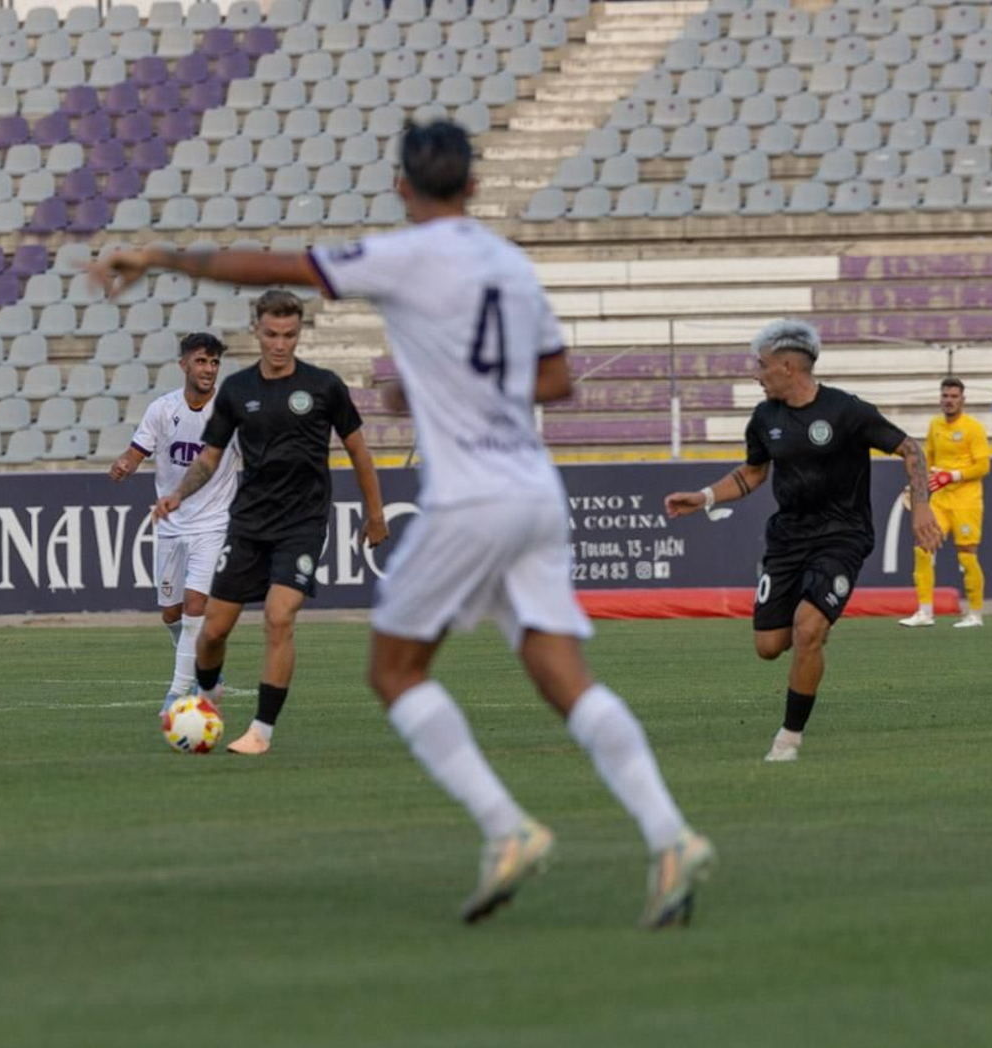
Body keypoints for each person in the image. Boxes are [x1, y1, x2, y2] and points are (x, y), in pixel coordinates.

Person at [93, 121, 713, 930]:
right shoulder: (509, 265)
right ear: (475, 185)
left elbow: (277, 266)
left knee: (394, 669)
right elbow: (557, 380)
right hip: (534, 490)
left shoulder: (407, 254)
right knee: (560, 670)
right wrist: (452, 385)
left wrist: (162, 256)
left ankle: (508, 826)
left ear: (401, 187)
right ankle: (669, 835)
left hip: (473, 498)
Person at [90, 278, 389, 754]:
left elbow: (358, 451)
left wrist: (375, 515)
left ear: (299, 335)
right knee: (210, 630)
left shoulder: (323, 386)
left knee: (276, 615)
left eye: (289, 335)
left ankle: (253, 729)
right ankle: (207, 693)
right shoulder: (237, 391)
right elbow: (207, 458)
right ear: (258, 331)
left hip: (295, 523)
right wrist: (175, 496)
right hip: (246, 524)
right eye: (271, 334)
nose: (279, 344)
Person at [664, 319, 942, 763]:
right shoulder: (764, 417)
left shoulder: (847, 411)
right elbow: (753, 473)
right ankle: (809, 624)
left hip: (843, 537)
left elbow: (911, 449)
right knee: (768, 647)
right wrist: (704, 497)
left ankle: (788, 738)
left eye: (762, 365)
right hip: (788, 540)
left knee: (808, 629)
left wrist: (922, 505)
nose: (756, 373)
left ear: (789, 367)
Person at [108, 332, 239, 716]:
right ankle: (203, 663)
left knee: (196, 604)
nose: (209, 369)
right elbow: (135, 453)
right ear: (183, 364)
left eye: (214, 362)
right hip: (170, 523)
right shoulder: (162, 410)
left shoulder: (229, 411)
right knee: (171, 612)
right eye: (201, 361)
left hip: (213, 522)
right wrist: (124, 465)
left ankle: (179, 693)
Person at [899, 376, 992, 628]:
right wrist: (915, 485)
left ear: (963, 399)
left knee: (967, 556)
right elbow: (926, 459)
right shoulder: (935, 425)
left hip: (966, 502)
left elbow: (983, 465)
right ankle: (925, 611)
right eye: (945, 396)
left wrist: (952, 475)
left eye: (953, 396)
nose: (949, 401)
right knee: (922, 548)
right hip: (939, 500)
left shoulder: (973, 428)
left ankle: (975, 614)